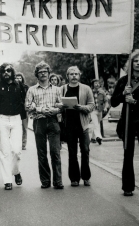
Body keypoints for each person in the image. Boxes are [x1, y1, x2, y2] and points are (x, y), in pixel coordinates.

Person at [25, 61, 64, 189]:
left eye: (45, 72)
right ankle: (45, 181)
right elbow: (27, 106)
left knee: (55, 152)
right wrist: (40, 109)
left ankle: (58, 181)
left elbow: (62, 105)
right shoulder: (32, 90)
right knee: (41, 153)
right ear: (37, 74)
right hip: (39, 122)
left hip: (53, 121)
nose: (43, 74)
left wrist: (56, 110)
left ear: (48, 73)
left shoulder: (57, 89)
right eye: (40, 72)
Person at [0, 63, 26, 190]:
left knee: (17, 150)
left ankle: (16, 172)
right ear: (0, 73)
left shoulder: (19, 86)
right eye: (3, 71)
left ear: (12, 72)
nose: (6, 73)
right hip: (2, 119)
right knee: (5, 151)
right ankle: (7, 180)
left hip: (16, 118)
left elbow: (23, 101)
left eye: (8, 70)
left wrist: (24, 118)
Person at [59, 66, 94, 187]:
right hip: (69, 125)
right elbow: (57, 103)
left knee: (85, 150)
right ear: (67, 76)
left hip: (83, 124)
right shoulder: (62, 89)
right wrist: (61, 106)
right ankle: (74, 178)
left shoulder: (86, 88)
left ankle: (86, 177)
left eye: (76, 74)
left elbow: (91, 105)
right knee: (72, 152)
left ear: (79, 75)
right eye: (71, 74)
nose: (74, 76)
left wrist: (81, 107)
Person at [111, 50, 139, 197]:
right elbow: (113, 102)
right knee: (128, 153)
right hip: (128, 122)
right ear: (131, 63)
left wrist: (134, 101)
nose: (138, 63)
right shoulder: (124, 81)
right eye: (135, 60)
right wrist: (123, 94)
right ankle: (128, 186)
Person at [90, 79, 109, 145]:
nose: (97, 84)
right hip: (92, 111)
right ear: (93, 84)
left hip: (100, 111)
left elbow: (106, 100)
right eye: (95, 83)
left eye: (98, 83)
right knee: (96, 124)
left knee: (96, 124)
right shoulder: (90, 92)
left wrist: (106, 107)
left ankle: (92, 138)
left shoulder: (102, 92)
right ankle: (99, 137)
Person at [15, 72, 29, 151]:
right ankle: (17, 143)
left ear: (22, 79)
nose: (18, 79)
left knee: (24, 127)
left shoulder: (26, 87)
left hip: (24, 109)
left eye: (20, 78)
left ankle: (23, 144)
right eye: (17, 78)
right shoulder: (13, 87)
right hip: (16, 110)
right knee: (16, 127)